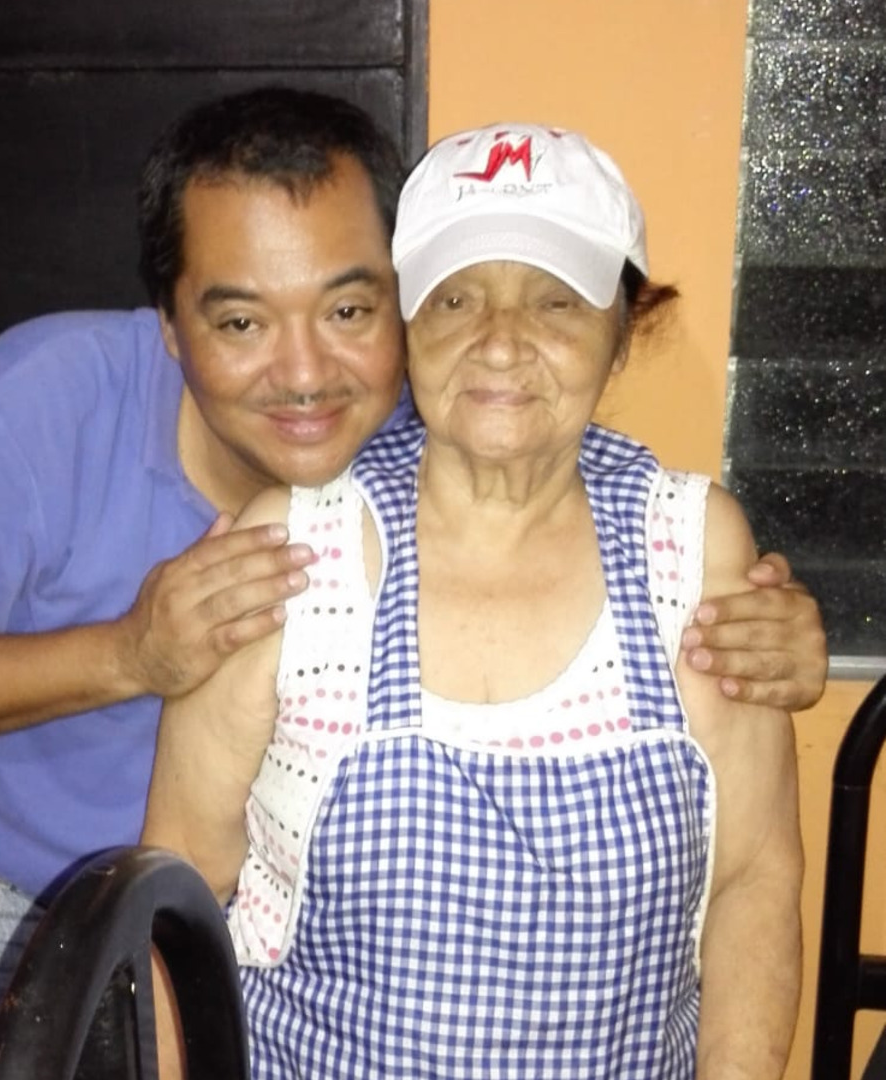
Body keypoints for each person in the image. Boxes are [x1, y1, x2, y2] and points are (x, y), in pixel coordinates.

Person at [0, 89, 819, 1079]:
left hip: (212, 935)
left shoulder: (492, 431)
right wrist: (130, 654)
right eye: (242, 322)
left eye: (345, 309)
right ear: (170, 326)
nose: (303, 373)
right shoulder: (51, 406)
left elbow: (749, 866)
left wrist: (780, 628)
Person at [142, 122, 805, 1078]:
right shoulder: (293, 551)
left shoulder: (693, 549)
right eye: (455, 299)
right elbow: (180, 890)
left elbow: (753, 881)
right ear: (407, 327)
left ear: (623, 333)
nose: (501, 342)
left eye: (556, 301)